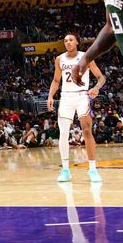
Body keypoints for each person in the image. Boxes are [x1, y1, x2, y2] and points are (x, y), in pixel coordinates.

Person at [48, 33, 105, 183]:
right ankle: (65, 169)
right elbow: (56, 80)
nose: (68, 42)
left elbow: (101, 77)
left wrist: (97, 88)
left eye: (71, 40)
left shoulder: (86, 56)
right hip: (66, 97)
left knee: (87, 129)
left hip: (82, 96)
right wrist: (50, 96)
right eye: (65, 41)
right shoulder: (59, 59)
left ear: (77, 42)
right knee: (63, 133)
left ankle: (92, 169)